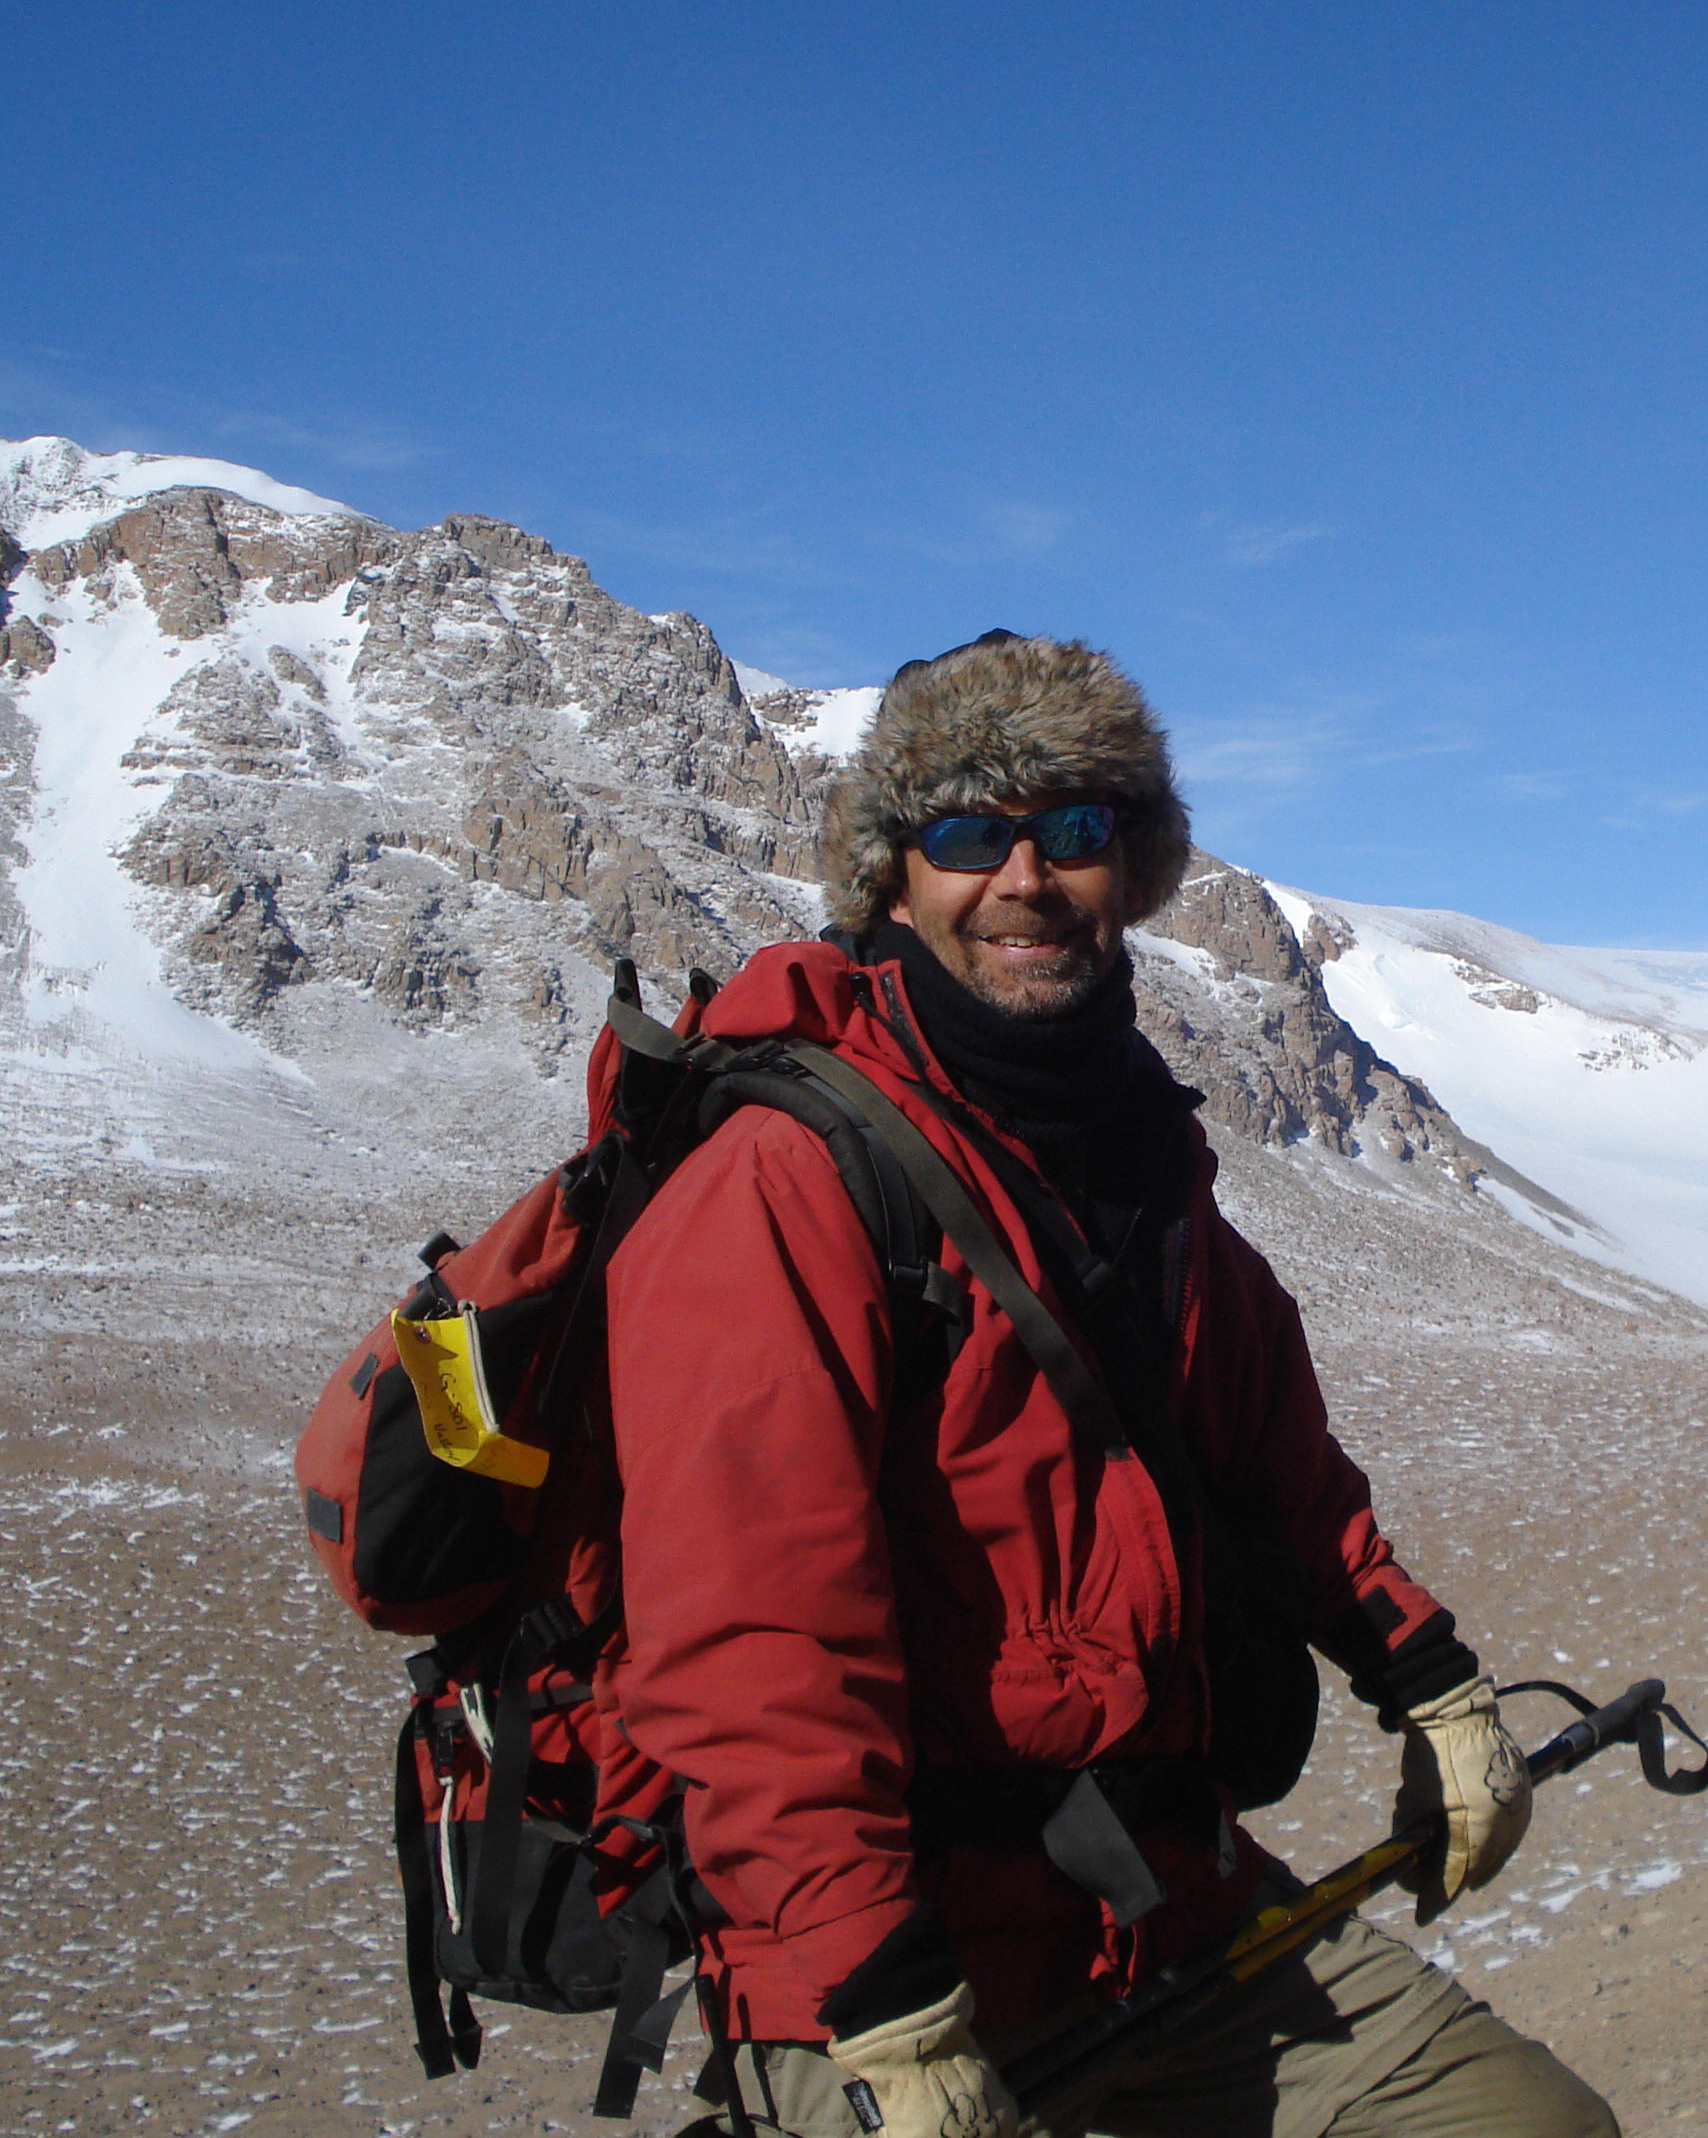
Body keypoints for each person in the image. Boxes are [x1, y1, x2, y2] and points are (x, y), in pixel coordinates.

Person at [604, 632, 1617, 2137]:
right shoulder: (784, 1179)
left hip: (1164, 1906)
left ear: (1131, 870)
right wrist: (876, 1991)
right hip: (885, 1968)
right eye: (964, 833)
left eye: (1074, 830)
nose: (1022, 875)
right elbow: (749, 1632)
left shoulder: (1135, 1147)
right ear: (892, 878)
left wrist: (1428, 1677)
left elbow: (1272, 1458)